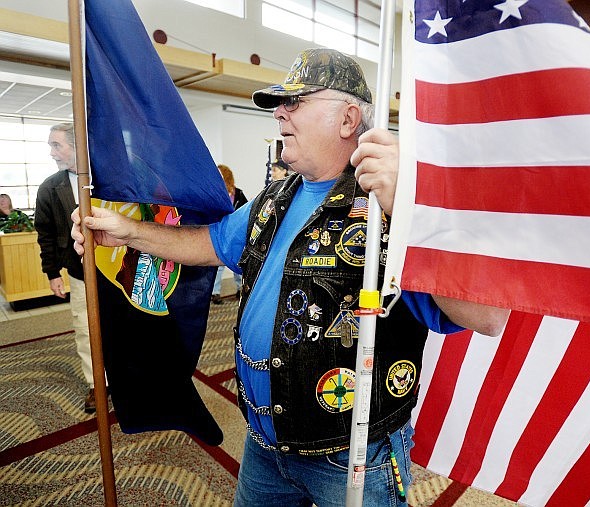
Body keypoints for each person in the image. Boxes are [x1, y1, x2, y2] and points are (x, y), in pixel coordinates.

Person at [72, 48, 507, 506]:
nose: (279, 113)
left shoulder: (392, 206)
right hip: (264, 443)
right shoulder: (275, 196)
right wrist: (131, 233)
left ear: (347, 119)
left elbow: (486, 315)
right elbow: (211, 242)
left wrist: (415, 213)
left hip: (351, 454)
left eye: (295, 103)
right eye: (280, 104)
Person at [36, 123, 97, 413]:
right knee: (85, 328)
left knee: (121, 327)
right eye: (50, 145)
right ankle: (97, 385)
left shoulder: (108, 178)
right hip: (78, 272)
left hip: (119, 270)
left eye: (56, 145)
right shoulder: (49, 187)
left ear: (77, 146)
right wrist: (52, 273)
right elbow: (44, 234)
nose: (51, 152)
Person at [212, 164, 248, 304]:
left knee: (238, 263)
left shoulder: (238, 193)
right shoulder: (215, 193)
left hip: (237, 234)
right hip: (221, 233)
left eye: (220, 174)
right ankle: (215, 293)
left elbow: (245, 210)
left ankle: (240, 289)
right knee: (219, 266)